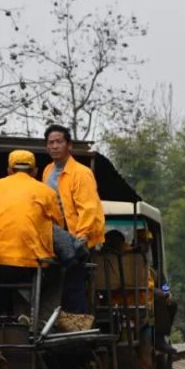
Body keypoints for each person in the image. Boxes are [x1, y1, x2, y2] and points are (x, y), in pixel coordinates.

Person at [41, 124, 105, 313]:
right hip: (58, 238)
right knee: (56, 284)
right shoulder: (47, 171)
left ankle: (78, 326)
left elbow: (89, 208)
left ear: (69, 145)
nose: (55, 146)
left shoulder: (81, 173)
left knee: (73, 286)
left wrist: (81, 238)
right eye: (51, 143)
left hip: (78, 237)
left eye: (59, 142)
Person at [0, 149, 63, 282]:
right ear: (35, 171)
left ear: (9, 170)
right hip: (33, 266)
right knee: (59, 276)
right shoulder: (47, 192)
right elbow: (57, 227)